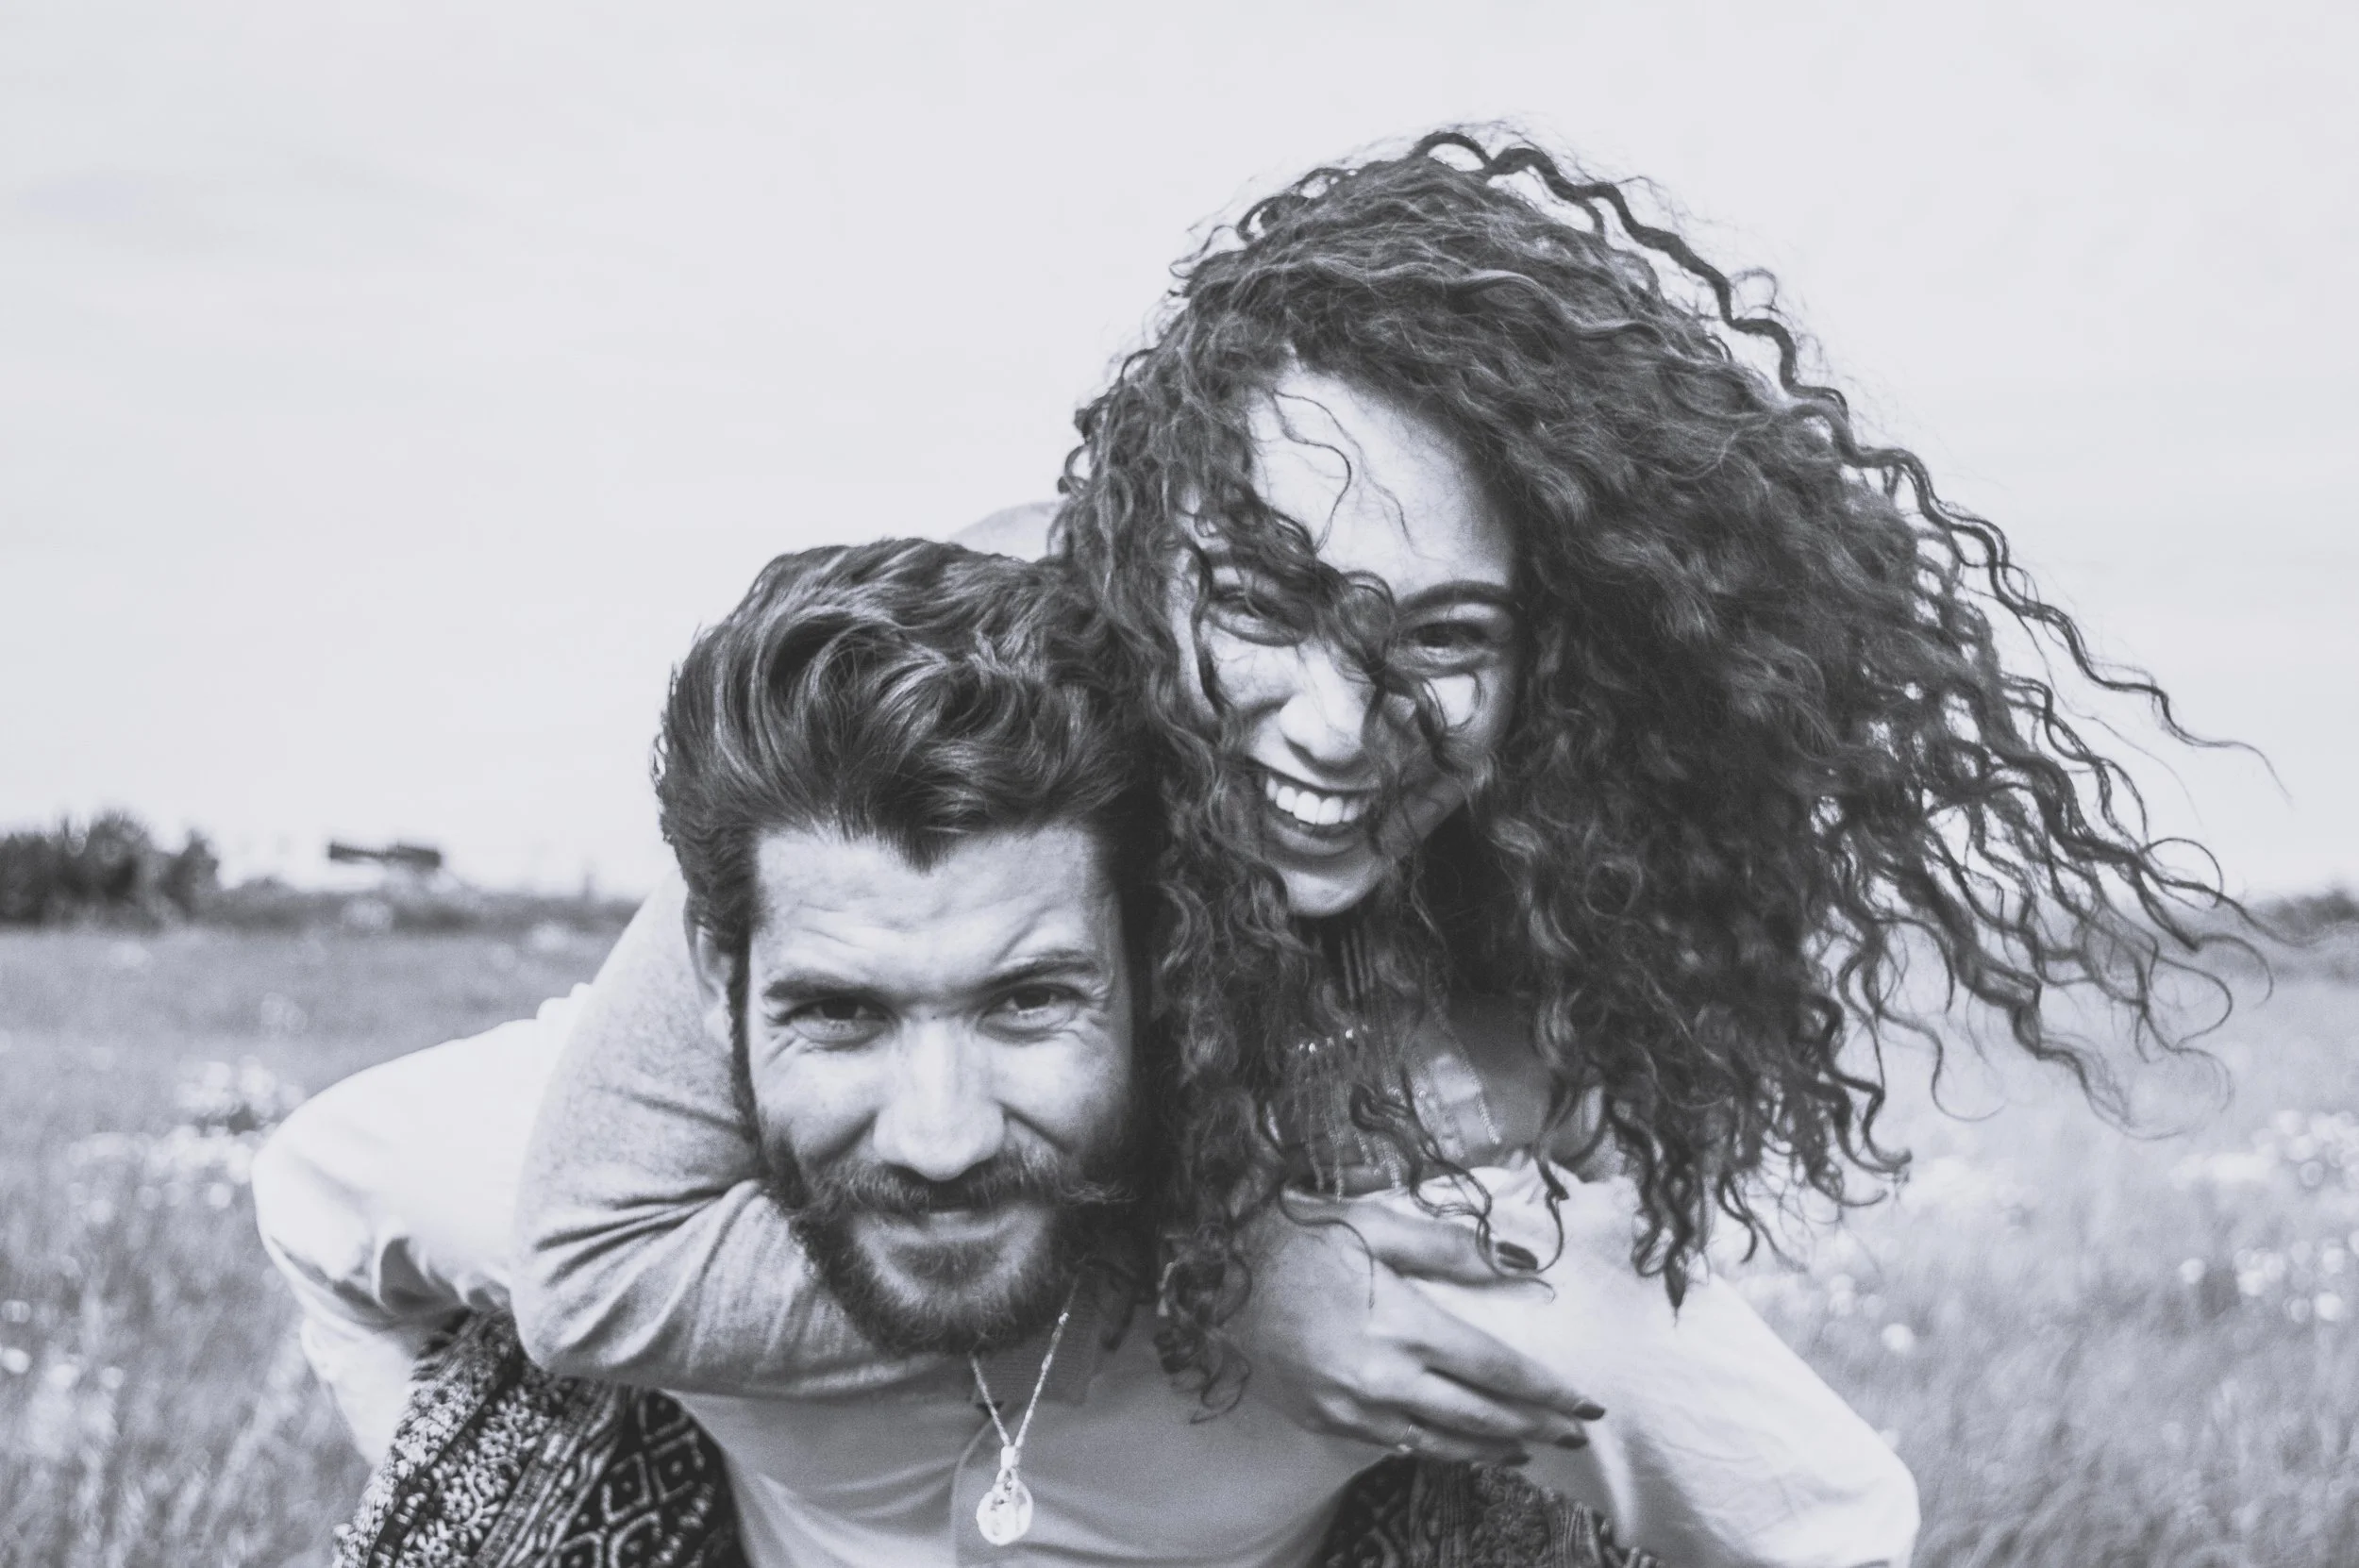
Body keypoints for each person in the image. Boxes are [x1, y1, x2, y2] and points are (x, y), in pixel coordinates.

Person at [267, 125, 2238, 1562]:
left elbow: (1735, 1441)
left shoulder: (1529, 905)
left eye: (1441, 639)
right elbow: (589, 1264)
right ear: (1145, 568)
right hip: (805, 1257)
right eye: (1266, 603)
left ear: (1566, 673)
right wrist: (1224, 1251)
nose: (1328, 723)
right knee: (369, 1184)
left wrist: (1299, 1250)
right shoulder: (970, 752)